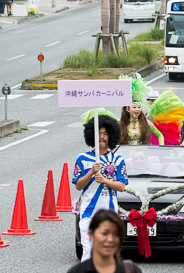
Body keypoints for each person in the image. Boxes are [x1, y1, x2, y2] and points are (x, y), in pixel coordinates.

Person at [72, 112, 128, 262]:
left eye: (105, 133)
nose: (101, 137)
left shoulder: (117, 159)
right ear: (92, 135)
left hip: (109, 214)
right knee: (88, 253)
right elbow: (78, 186)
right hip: (88, 213)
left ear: (111, 136)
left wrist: (105, 180)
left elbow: (121, 187)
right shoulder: (83, 158)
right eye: (98, 133)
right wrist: (91, 172)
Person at [67, 210, 142, 273]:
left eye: (116, 234)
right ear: (91, 234)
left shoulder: (131, 270)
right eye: (104, 233)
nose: (110, 239)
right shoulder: (77, 271)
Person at [118, 74, 164, 146]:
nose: (137, 109)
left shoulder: (146, 122)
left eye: (139, 107)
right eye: (134, 107)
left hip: (143, 155)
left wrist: (161, 147)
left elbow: (160, 135)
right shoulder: (122, 124)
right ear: (127, 109)